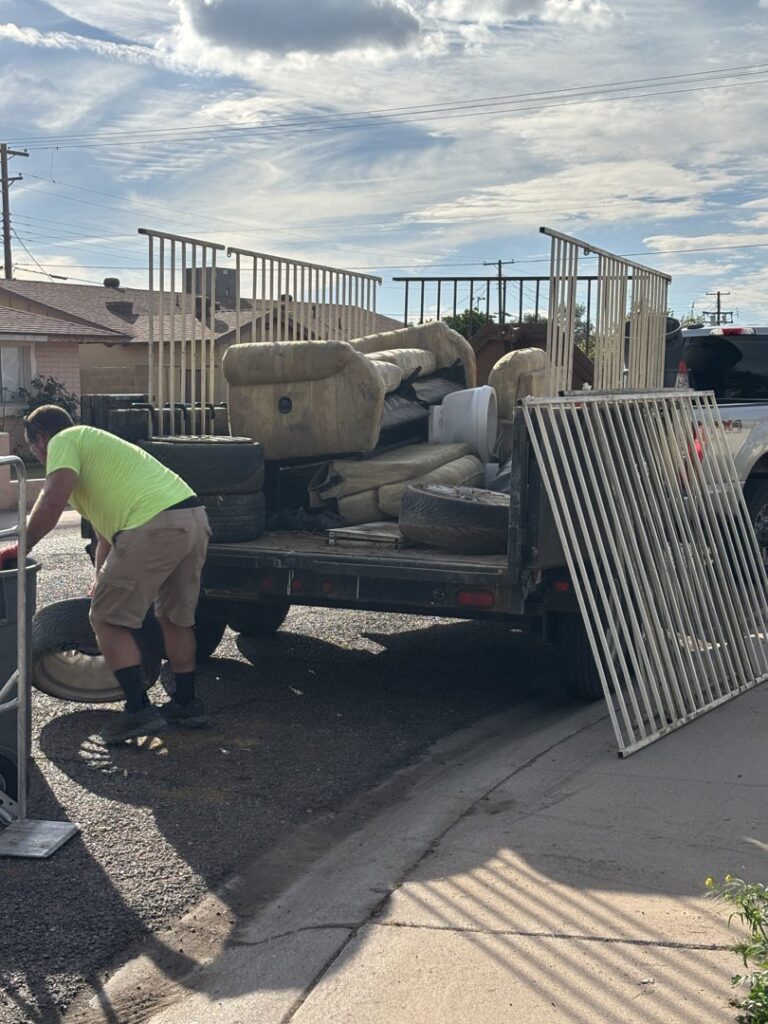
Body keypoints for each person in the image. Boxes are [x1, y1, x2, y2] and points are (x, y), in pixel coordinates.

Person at [16, 404, 211, 743]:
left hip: (152, 525)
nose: (36, 452)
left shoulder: (65, 441)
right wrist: (100, 579)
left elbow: (50, 501)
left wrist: (22, 547)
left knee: (107, 620)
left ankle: (138, 711)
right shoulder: (98, 449)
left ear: (42, 438)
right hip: (192, 519)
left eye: (32, 445)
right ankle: (187, 704)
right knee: (175, 619)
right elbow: (107, 534)